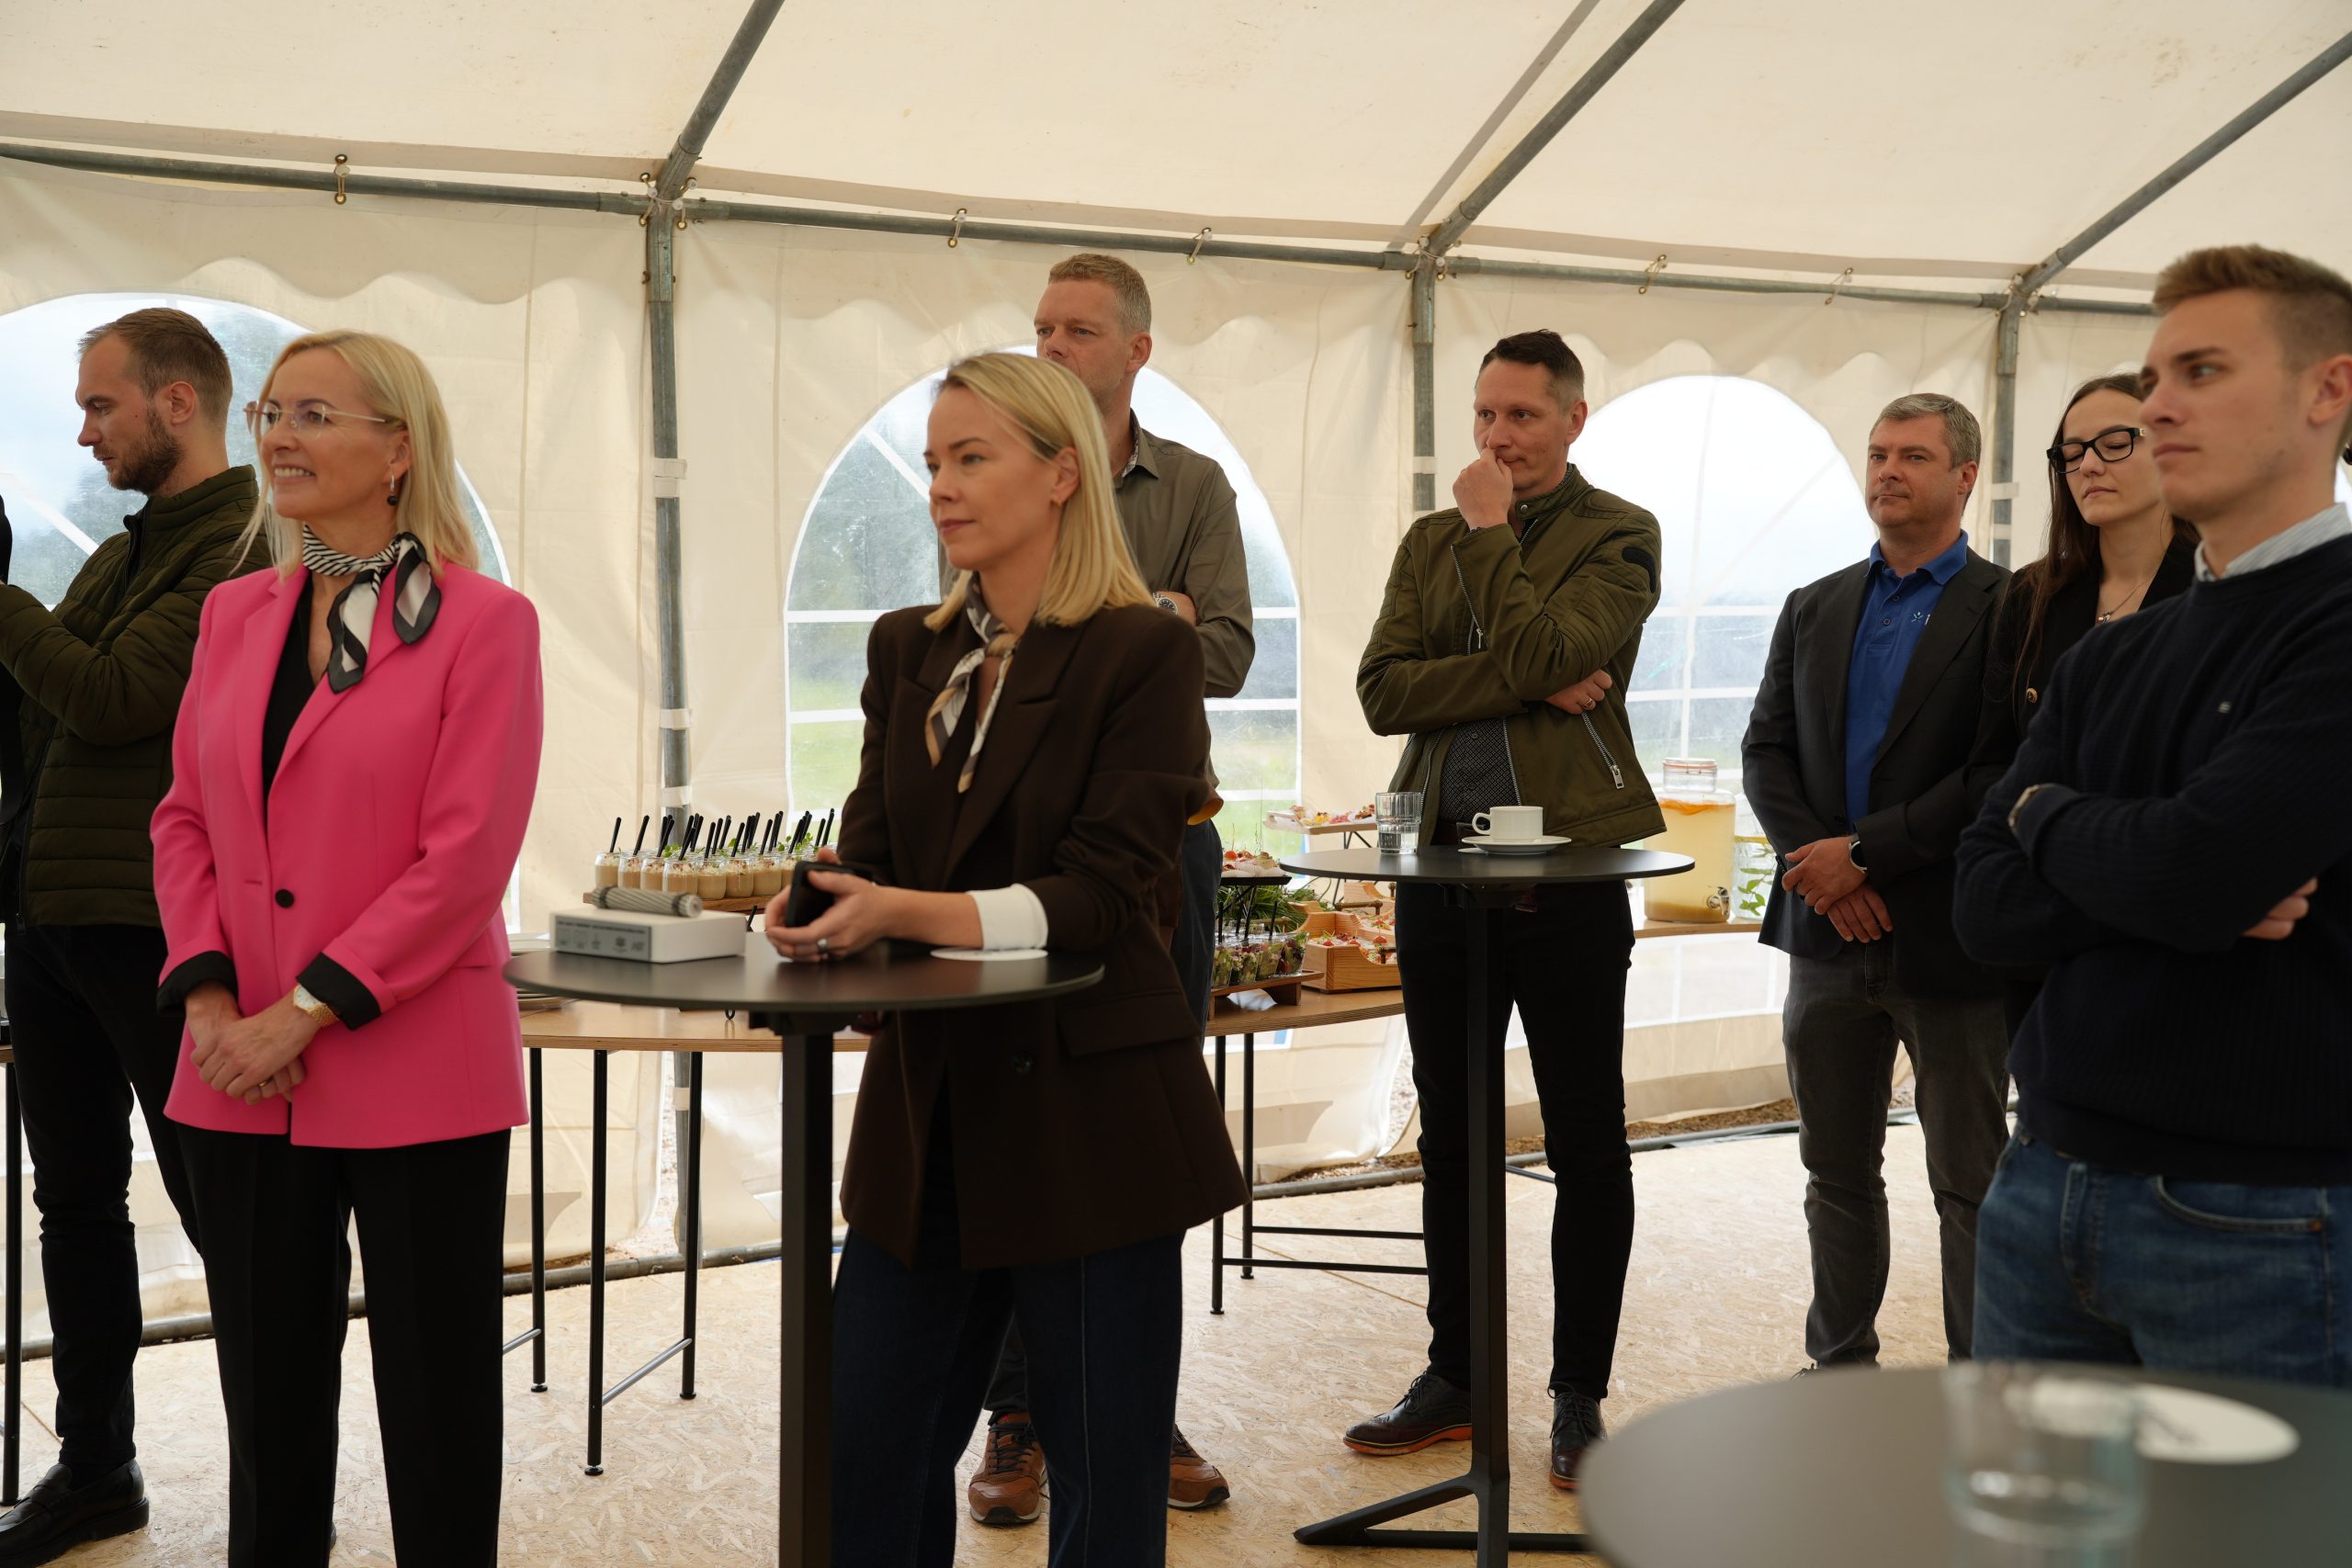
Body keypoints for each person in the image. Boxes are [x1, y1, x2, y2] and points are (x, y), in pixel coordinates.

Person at [775, 351, 1244, 1566]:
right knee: (861, 1451)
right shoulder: (906, 651)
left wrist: (904, 908)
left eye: (971, 457)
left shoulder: (1143, 654)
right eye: (934, 460)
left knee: (1103, 1478)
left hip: (1092, 1118)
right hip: (928, 1115)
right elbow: (874, 850)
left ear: (1060, 474)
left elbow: (1102, 895)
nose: (939, 485)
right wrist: (820, 903)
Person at [150, 330, 542, 1566]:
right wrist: (211, 1000)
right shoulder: (232, 613)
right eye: (271, 411)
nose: (278, 435)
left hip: (413, 1061)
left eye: (313, 414)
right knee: (267, 1406)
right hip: (235, 1064)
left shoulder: (485, 624)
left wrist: (304, 1010)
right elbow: (183, 818)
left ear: (399, 449)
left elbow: (465, 857)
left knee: (436, 1404)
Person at [1955, 244, 2352, 1385]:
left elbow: (2194, 872)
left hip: (2265, 1214)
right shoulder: (2108, 658)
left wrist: (2042, 816)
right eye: (2154, 376)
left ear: (2327, 390)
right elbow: (1981, 906)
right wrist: (2161, 877)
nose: (2159, 406)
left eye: (2201, 371)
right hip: (2044, 1177)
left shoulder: (2334, 623)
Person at [1350, 328, 1663, 1489]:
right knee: (1452, 1137)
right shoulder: (1425, 540)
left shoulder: (1619, 533)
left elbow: (1552, 641)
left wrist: (1490, 538)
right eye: (1483, 415)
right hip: (1439, 877)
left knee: (1585, 1140)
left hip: (1568, 881)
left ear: (1573, 419)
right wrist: (1524, 677)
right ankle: (1458, 1376)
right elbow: (1383, 691)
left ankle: (1578, 1395)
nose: (1494, 438)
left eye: (1520, 416)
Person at [967, 252, 1252, 1523]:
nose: (1051, 346)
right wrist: (1151, 614)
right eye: (1040, 327)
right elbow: (978, 636)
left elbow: (1228, 651)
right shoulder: (994, 472)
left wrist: (1121, 621)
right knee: (1014, 1123)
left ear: (1137, 350)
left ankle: (1133, 1402)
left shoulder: (1192, 485)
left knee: (1137, 1130)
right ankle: (1019, 1412)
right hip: (1017, 846)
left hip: (1159, 843)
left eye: (1077, 330)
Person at [0, 309, 256, 1568]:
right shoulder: (119, 556)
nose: (86, 431)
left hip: (160, 931)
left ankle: (279, 1482)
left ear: (177, 401)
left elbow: (110, 697)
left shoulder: (245, 551)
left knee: (227, 1214)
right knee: (77, 1205)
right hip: (54, 917)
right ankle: (98, 1467)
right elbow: (43, 715)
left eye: (102, 405)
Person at [1740, 392, 2010, 1373]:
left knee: (1970, 1181)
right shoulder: (1812, 604)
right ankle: (1840, 1365)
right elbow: (1764, 753)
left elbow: (1996, 771)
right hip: (1824, 934)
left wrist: (1865, 854)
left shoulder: (2012, 609)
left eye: (1914, 456)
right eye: (1878, 453)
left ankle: (1982, 1386)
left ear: (1965, 476)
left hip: (1949, 935)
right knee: (1834, 1172)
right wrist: (1824, 871)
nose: (1888, 470)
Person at [1969, 373, 2198, 1034]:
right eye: (2071, 452)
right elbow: (1990, 766)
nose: (2089, 465)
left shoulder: (2219, 592)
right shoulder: (2032, 595)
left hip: (2172, 936)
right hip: (2044, 934)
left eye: (2115, 442)